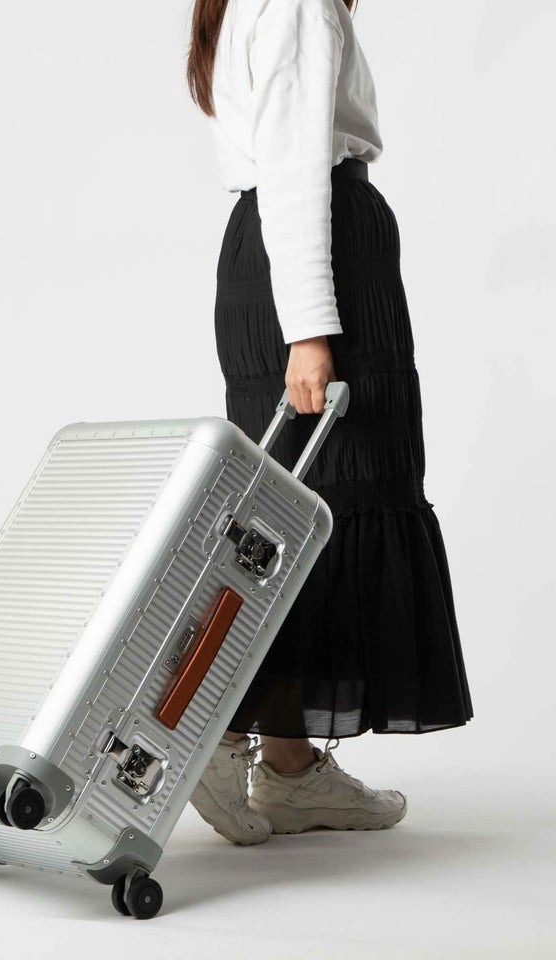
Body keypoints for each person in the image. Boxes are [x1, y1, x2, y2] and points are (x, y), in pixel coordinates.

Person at [185, 0, 473, 845]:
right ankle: (218, 733)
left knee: (293, 520)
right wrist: (311, 332)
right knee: (324, 513)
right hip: (318, 268)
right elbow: (295, 164)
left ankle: (288, 767)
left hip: (279, 257)